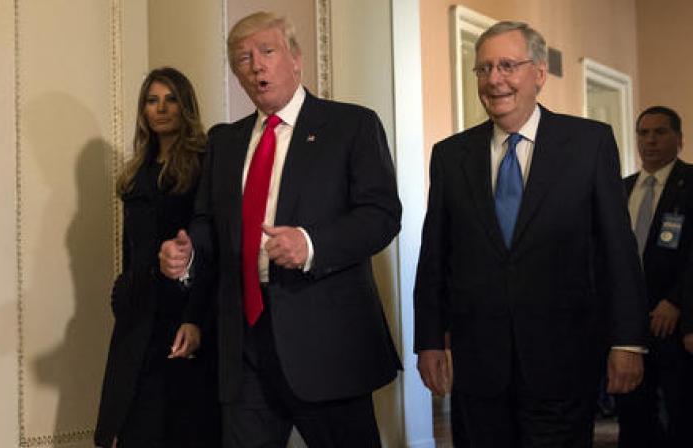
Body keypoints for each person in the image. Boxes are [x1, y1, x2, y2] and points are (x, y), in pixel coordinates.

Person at [160, 11, 401, 448]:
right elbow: (207, 223)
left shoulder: (351, 126)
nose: (255, 66)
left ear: (296, 59)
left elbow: (381, 214)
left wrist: (310, 244)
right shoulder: (225, 142)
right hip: (244, 345)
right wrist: (188, 253)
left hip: (327, 346)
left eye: (267, 52)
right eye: (243, 59)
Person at [413, 21, 648, 446]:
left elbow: (617, 249)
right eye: (483, 69)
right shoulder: (451, 156)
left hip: (562, 362)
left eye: (507, 65)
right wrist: (428, 341)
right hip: (479, 367)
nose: (495, 79)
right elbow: (435, 256)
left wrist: (628, 340)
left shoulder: (588, 144)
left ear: (539, 73)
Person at [94, 67, 220, 448]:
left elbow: (212, 247)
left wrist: (195, 317)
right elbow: (130, 250)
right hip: (137, 316)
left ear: (186, 106)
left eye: (171, 99)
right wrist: (121, 292)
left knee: (182, 425)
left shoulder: (203, 163)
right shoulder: (136, 174)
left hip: (183, 314)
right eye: (152, 100)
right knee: (130, 426)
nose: (161, 108)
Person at [616, 106, 693, 448]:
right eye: (643, 133)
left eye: (660, 132)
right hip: (628, 325)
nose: (650, 140)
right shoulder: (620, 189)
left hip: (675, 323)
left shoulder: (690, 183)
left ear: (679, 139)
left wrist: (676, 301)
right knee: (633, 413)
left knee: (683, 412)